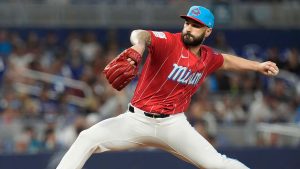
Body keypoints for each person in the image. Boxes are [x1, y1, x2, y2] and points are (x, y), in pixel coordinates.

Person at [57, 6, 279, 169]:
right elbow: (141, 33)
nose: (190, 28)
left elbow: (227, 61)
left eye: (196, 25)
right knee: (87, 138)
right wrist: (139, 45)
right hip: (136, 120)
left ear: (207, 32)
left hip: (173, 125)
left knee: (217, 164)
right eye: (188, 23)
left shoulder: (208, 57)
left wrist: (258, 66)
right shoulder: (168, 41)